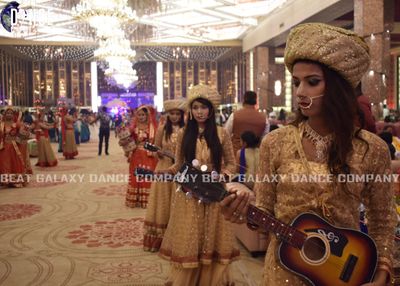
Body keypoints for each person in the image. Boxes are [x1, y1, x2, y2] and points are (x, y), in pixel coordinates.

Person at [220, 23, 396, 286]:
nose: (300, 92)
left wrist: (381, 274)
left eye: (312, 82)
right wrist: (240, 209)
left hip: (344, 272)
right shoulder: (275, 143)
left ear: (338, 87)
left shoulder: (370, 148)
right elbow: (264, 209)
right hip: (284, 271)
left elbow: (382, 219)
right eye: (296, 82)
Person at [158, 84, 238, 285]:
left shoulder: (221, 134)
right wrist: (168, 172)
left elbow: (231, 163)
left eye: (204, 107)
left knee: (212, 237)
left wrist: (222, 177)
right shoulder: (184, 133)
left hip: (214, 195)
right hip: (188, 195)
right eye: (195, 108)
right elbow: (178, 163)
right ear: (191, 111)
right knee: (191, 237)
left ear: (211, 110)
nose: (200, 112)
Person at [143, 99, 186, 252]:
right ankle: (159, 240)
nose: (174, 117)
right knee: (163, 202)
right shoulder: (162, 129)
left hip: (181, 170)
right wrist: (158, 153)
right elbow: (155, 149)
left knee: (179, 200)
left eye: (177, 114)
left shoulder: (187, 129)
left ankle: (177, 239)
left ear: (182, 115)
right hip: (164, 167)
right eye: (171, 114)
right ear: (167, 115)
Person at [126, 105, 158, 208]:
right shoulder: (133, 127)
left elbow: (156, 141)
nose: (141, 117)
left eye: (143, 115)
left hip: (148, 155)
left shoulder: (152, 127)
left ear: (147, 115)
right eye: (139, 115)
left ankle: (147, 200)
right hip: (136, 154)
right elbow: (128, 139)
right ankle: (136, 200)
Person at [0, 107, 30, 187]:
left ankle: (15, 181)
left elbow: (23, 134)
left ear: (13, 115)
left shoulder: (17, 124)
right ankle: (6, 181)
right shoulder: (1, 124)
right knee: (5, 164)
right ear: (4, 115)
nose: (9, 115)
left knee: (15, 163)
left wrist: (26, 130)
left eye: (11, 113)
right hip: (4, 148)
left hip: (14, 147)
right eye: (7, 113)